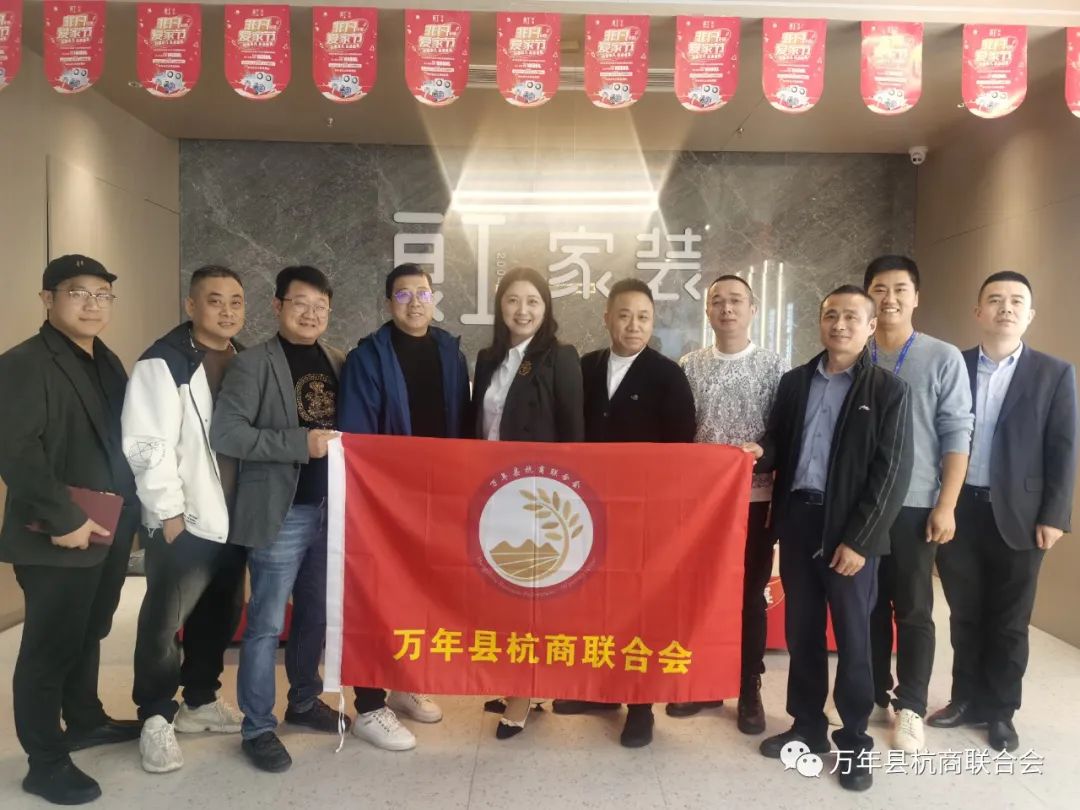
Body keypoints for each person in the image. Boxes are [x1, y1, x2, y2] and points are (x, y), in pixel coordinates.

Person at [747, 284, 913, 792]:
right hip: (799, 521)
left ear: (870, 327)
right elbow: (780, 440)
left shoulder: (888, 391)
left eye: (851, 317)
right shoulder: (796, 382)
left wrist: (860, 541)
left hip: (850, 532)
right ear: (819, 322)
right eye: (830, 315)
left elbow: (891, 474)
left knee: (854, 640)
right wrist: (758, 451)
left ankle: (855, 740)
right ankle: (807, 726)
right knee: (802, 632)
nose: (839, 325)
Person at [0, 255, 141, 805]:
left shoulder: (106, 360)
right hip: (56, 532)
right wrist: (64, 519)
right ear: (47, 299)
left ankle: (84, 719)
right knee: (49, 647)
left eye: (102, 294)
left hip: (108, 525)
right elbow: (16, 451)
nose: (92, 304)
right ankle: (45, 761)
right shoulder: (23, 363)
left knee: (89, 632)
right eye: (78, 293)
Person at [928, 271, 1077, 753]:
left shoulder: (1054, 373)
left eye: (1016, 301)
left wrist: (1055, 515)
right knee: (964, 614)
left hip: (1023, 516)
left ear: (1029, 314)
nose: (1005, 308)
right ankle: (964, 699)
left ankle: (1000, 711)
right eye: (995, 299)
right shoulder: (954, 365)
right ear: (978, 312)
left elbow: (1064, 449)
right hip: (958, 510)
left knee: (1010, 620)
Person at [210, 266, 347, 773]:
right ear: (277, 305)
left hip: (331, 510)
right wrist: (298, 444)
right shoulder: (252, 364)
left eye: (319, 306)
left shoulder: (338, 360)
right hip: (282, 511)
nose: (310, 314)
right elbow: (227, 433)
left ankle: (304, 700)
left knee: (316, 612)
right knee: (267, 623)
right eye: (300, 303)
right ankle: (258, 727)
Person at [552, 278, 696, 748]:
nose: (634, 325)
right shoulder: (584, 367)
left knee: (640, 607)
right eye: (624, 315)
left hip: (644, 517)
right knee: (595, 602)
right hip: (585, 513)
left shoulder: (667, 375)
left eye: (643, 317)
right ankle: (602, 692)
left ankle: (640, 705)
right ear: (607, 318)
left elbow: (680, 454)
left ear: (653, 323)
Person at [337, 262, 473, 742]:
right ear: (388, 303)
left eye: (423, 293)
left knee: (418, 594)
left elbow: (462, 428)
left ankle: (403, 684)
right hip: (385, 500)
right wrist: (379, 496)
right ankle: (369, 704)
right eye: (403, 294)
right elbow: (357, 438)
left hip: (436, 498)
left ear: (434, 299)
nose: (415, 302)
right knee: (377, 595)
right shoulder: (367, 358)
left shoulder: (450, 353)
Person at [121, 266, 249, 773]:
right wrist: (168, 513)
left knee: (220, 612)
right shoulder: (164, 361)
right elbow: (146, 444)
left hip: (232, 519)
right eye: (214, 301)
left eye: (236, 301)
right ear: (191, 305)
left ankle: (199, 701)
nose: (227, 311)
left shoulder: (243, 358)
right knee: (165, 621)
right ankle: (155, 716)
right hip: (184, 519)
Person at [862, 256, 974, 753]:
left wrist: (946, 505)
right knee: (865, 606)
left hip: (915, 504)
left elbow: (957, 433)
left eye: (899, 289)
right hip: (862, 507)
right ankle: (871, 694)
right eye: (879, 289)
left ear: (916, 297)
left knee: (912, 609)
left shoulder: (942, 356)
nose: (889, 298)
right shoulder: (856, 351)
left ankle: (910, 705)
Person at [669, 274, 788, 735]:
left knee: (749, 595)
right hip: (703, 505)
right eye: (717, 301)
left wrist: (763, 452)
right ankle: (706, 681)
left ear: (753, 309)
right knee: (704, 592)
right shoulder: (689, 366)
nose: (727, 309)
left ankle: (748, 685)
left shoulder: (774, 367)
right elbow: (681, 431)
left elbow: (782, 434)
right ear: (707, 311)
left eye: (736, 300)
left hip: (755, 499)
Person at [472, 266, 584, 739]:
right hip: (492, 493)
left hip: (539, 495)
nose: (523, 310)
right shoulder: (488, 358)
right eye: (513, 300)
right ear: (501, 307)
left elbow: (573, 434)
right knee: (502, 593)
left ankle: (522, 694)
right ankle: (518, 681)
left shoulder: (560, 357)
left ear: (546, 308)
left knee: (531, 597)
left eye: (533, 301)